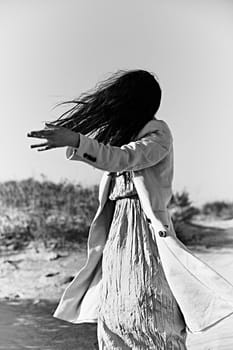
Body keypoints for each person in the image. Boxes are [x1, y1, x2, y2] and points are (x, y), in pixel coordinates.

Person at [28, 69, 233, 349]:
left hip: (144, 231)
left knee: (149, 311)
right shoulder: (122, 136)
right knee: (115, 312)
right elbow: (114, 159)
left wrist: (77, 142)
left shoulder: (159, 133)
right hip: (117, 233)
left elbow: (124, 159)